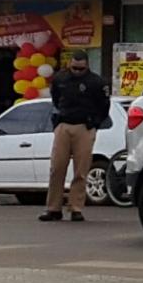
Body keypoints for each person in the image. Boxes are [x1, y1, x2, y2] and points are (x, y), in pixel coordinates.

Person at [39, 51, 110, 222]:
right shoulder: (60, 79)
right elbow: (56, 99)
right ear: (70, 64)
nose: (77, 71)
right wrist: (58, 125)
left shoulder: (96, 82)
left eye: (81, 68)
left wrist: (94, 124)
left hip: (84, 127)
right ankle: (53, 208)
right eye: (75, 67)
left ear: (87, 65)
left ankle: (76, 208)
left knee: (81, 170)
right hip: (64, 125)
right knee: (57, 168)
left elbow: (104, 106)